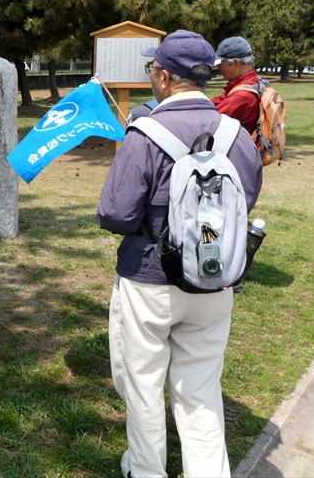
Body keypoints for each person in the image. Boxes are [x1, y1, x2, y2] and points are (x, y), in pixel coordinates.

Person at [97, 30, 263, 478]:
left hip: (149, 280)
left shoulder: (146, 132)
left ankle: (147, 470)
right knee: (202, 389)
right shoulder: (235, 134)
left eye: (153, 69)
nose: (152, 75)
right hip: (215, 278)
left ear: (165, 77)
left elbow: (115, 213)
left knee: (143, 383)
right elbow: (245, 198)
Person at [210, 36, 261, 133]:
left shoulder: (242, 95)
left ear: (236, 62)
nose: (219, 67)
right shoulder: (252, 82)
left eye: (221, 63)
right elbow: (217, 101)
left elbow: (211, 123)